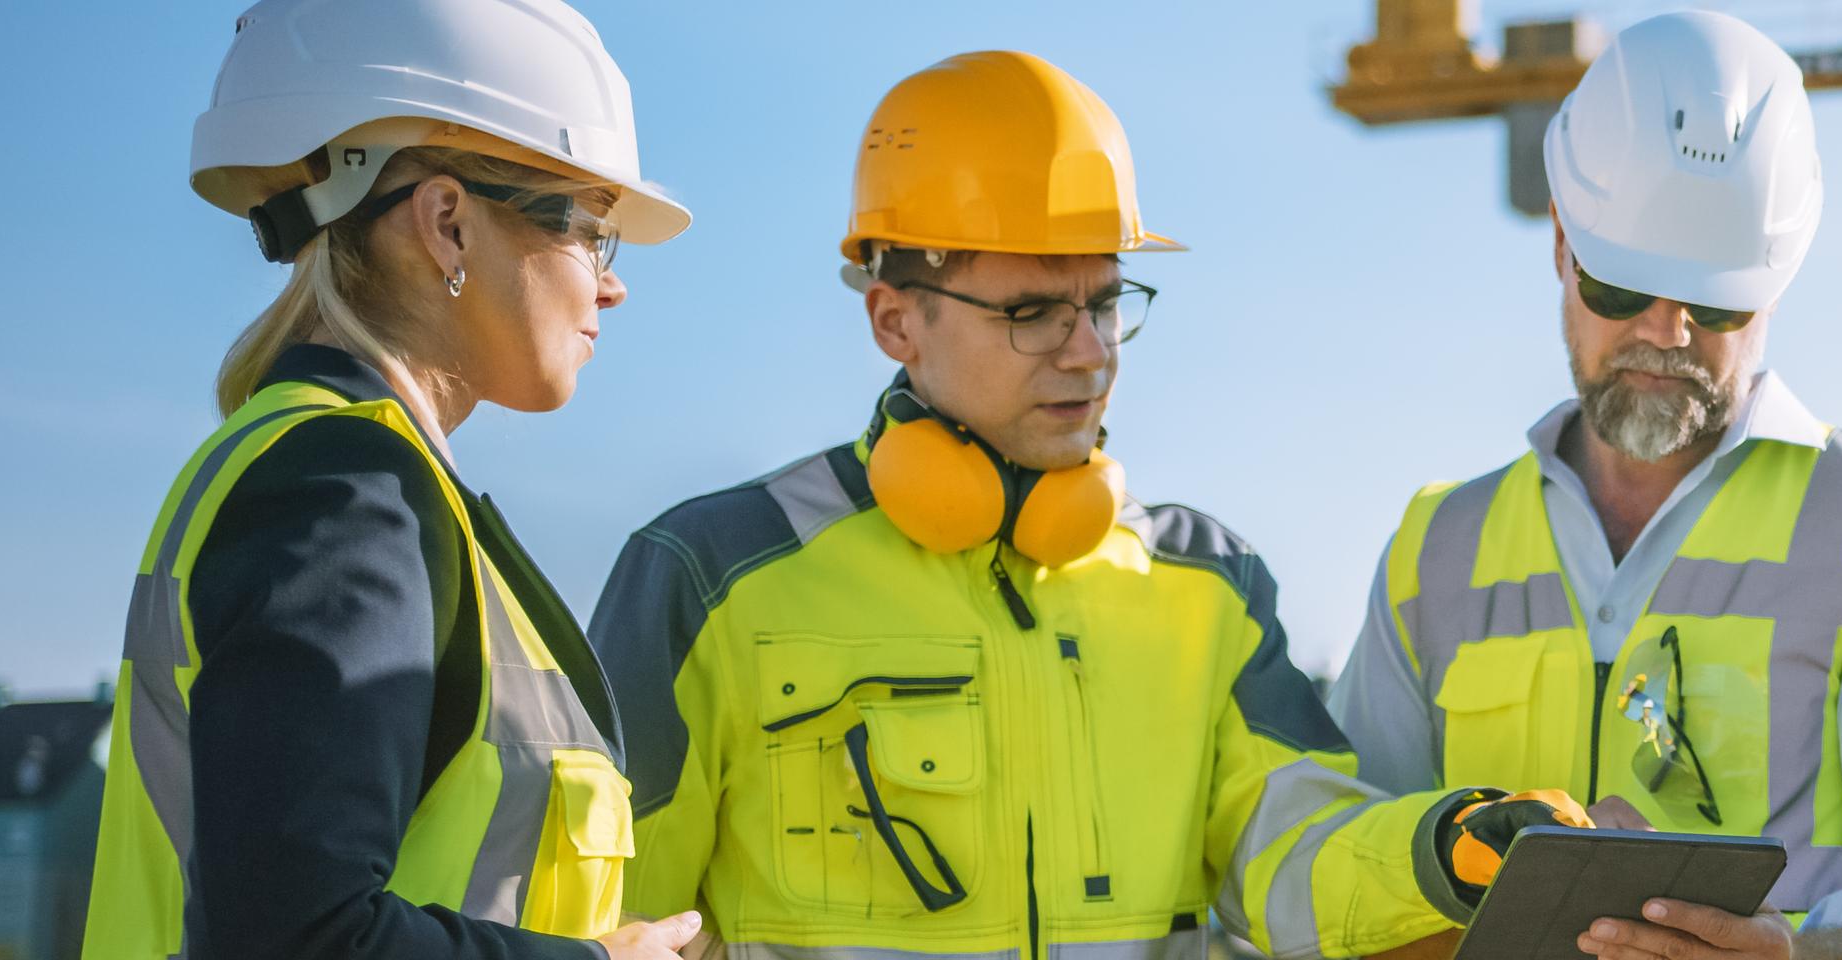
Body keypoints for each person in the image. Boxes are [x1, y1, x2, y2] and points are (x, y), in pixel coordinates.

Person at [587, 50, 1576, 960]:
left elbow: (1292, 850)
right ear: (894, 319)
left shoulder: (1210, 588)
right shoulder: (711, 575)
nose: (1090, 351)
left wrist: (1446, 849)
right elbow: (606, 917)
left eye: (1104, 303)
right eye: (1032, 314)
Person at [1324, 12, 1842, 960]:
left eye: (1714, 302)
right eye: (1621, 289)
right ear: (1562, 246)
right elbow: (1340, 875)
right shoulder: (1436, 551)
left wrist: (1800, 959)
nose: (1664, 331)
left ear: (1776, 286)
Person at [86, 0, 702, 957]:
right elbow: (296, 936)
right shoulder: (344, 492)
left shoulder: (327, 468)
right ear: (447, 224)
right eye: (590, 231)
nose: (610, 283)